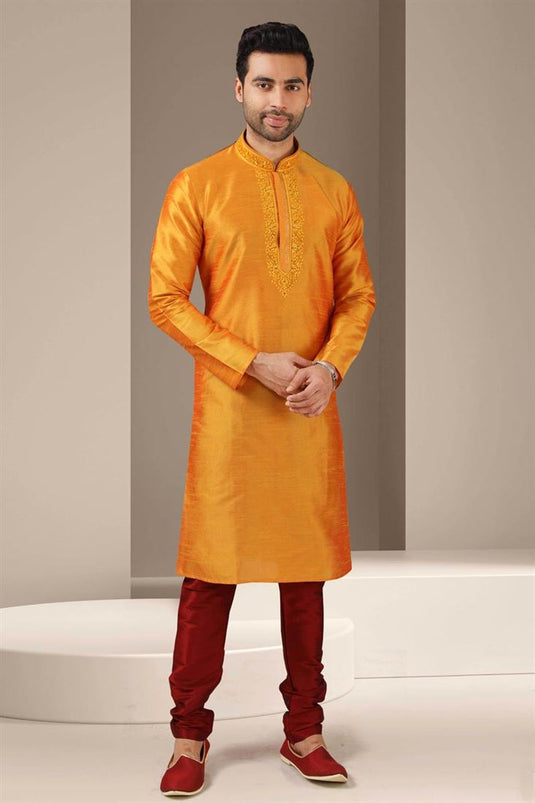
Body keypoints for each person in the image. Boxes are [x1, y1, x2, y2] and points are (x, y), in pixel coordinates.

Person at [148, 21, 376, 797]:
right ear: (238, 87)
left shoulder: (333, 191)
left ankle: (304, 730)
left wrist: (330, 369)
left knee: (303, 576)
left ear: (308, 92)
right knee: (209, 577)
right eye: (264, 84)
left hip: (307, 410)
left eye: (291, 85)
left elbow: (357, 297)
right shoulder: (197, 184)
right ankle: (187, 736)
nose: (277, 99)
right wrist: (253, 362)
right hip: (230, 412)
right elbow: (165, 299)